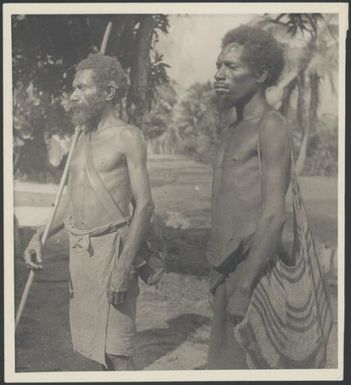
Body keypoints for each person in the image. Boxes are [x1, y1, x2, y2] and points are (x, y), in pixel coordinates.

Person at [23, 53, 156, 370]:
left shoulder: (128, 136)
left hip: (113, 252)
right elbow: (70, 200)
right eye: (74, 88)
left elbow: (146, 204)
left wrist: (124, 268)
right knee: (96, 348)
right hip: (81, 254)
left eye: (82, 88)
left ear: (108, 92)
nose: (73, 96)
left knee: (118, 352)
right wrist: (39, 236)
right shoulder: (80, 137)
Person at [206, 25, 291, 369]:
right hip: (225, 270)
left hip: (254, 272)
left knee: (251, 367)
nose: (219, 75)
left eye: (231, 67)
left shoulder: (270, 126)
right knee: (223, 365)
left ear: (261, 74)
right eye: (218, 66)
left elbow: (274, 215)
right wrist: (217, 276)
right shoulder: (230, 131)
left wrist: (245, 287)